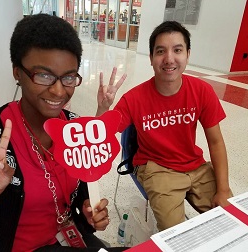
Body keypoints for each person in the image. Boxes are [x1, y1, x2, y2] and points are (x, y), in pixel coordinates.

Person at [0, 14, 127, 252]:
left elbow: (75, 200)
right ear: (17, 72)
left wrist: (88, 213)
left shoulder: (74, 129)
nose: (58, 91)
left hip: (66, 242)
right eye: (44, 75)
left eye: (68, 77)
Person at [96, 21, 233, 231]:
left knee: (230, 218)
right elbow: (99, 136)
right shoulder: (134, 98)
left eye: (177, 50)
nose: (169, 59)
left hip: (195, 165)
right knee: (175, 232)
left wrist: (223, 189)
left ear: (188, 54)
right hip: (156, 168)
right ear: (151, 58)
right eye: (160, 51)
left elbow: (216, 142)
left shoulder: (202, 91)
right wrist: (103, 109)